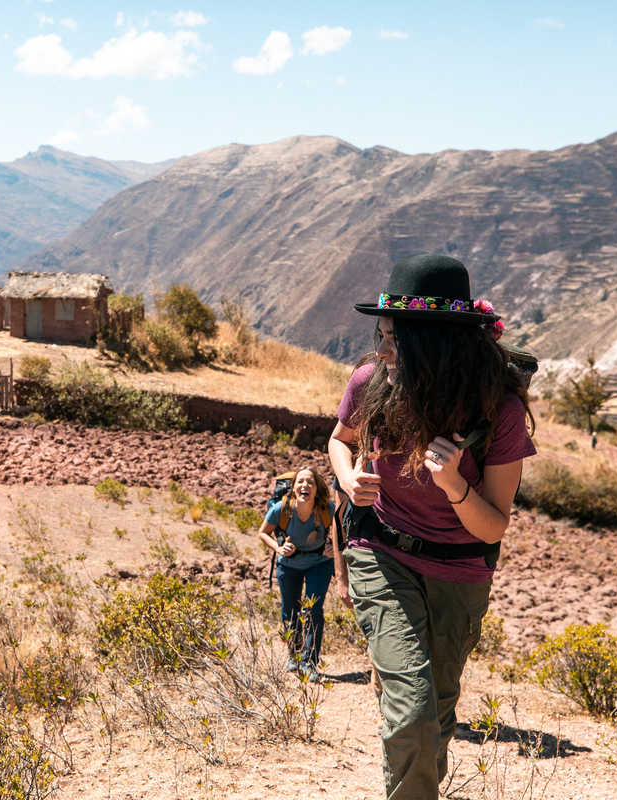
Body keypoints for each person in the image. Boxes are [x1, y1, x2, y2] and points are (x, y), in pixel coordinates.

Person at [328, 253, 536, 800]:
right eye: (382, 333)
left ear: (436, 342)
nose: (382, 349)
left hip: (460, 572)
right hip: (382, 550)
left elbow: (492, 528)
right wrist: (349, 479)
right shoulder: (371, 382)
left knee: (436, 712)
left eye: (395, 338)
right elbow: (338, 440)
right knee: (413, 707)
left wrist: (454, 486)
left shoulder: (499, 411)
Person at [256, 466, 335, 682]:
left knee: (312, 610)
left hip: (320, 563)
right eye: (300, 481)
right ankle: (294, 654)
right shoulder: (282, 509)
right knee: (289, 611)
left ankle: (309, 662)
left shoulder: (328, 508)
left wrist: (336, 548)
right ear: (293, 487)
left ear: (317, 488)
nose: (305, 485)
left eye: (310, 482)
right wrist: (278, 548)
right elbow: (263, 532)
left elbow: (345, 533)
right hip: (289, 564)